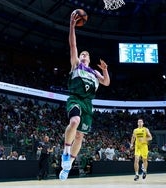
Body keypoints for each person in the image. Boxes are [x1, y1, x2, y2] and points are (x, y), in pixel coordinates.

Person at [59, 11, 110, 181]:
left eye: (86, 54)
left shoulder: (95, 72)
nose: (83, 54)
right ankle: (66, 151)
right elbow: (73, 45)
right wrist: (72, 26)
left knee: (80, 136)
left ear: (89, 58)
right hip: (75, 98)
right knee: (74, 121)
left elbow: (107, 83)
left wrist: (105, 70)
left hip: (88, 104)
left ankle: (68, 166)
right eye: (82, 54)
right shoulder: (76, 65)